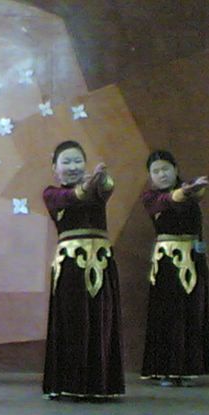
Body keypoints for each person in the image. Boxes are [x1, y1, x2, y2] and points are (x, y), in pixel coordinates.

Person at [42, 140, 125, 400]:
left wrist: (102, 179)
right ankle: (69, 384)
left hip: (102, 262)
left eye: (78, 161)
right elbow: (71, 198)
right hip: (70, 265)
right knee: (72, 322)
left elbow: (107, 187)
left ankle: (101, 385)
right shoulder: (52, 194)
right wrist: (87, 186)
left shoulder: (97, 189)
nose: (73, 167)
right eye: (66, 162)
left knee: (102, 320)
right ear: (55, 168)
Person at [141, 150, 209, 387]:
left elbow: (195, 194)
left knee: (193, 312)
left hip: (194, 259)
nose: (161, 174)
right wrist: (185, 192)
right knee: (167, 314)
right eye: (156, 171)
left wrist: (191, 190)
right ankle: (165, 369)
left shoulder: (191, 191)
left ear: (175, 169)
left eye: (166, 169)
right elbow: (169, 201)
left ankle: (188, 368)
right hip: (166, 263)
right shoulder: (151, 198)